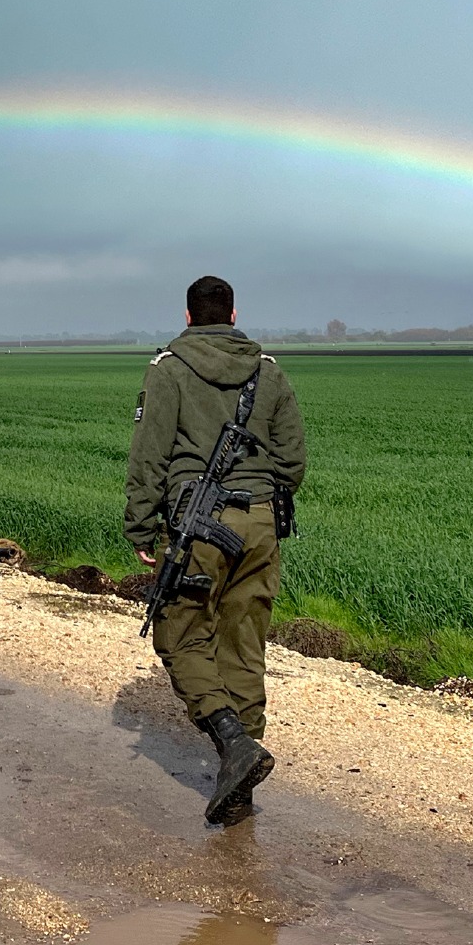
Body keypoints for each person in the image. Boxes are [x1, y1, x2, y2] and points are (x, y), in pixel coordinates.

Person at [125, 275, 307, 824]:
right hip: (261, 524)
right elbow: (293, 462)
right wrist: (259, 498)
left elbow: (150, 456)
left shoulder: (168, 369)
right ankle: (240, 789)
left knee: (179, 634)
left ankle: (233, 743)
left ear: (188, 316)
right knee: (243, 644)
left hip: (198, 523)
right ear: (233, 315)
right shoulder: (268, 371)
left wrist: (140, 527)